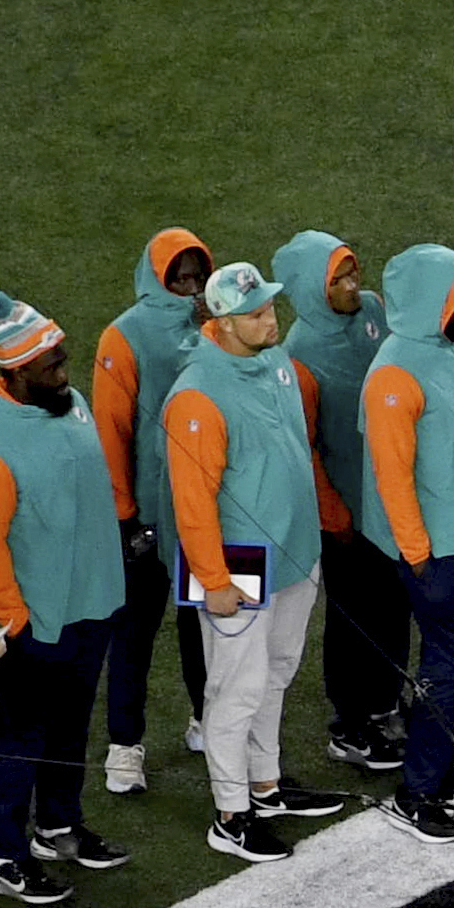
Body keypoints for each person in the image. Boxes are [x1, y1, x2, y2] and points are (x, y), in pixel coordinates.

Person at [161, 263, 348, 861]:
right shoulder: (196, 396)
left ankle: (265, 786)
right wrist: (213, 580)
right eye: (257, 313)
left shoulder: (276, 362)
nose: (272, 320)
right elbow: (192, 503)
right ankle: (230, 814)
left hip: (294, 551)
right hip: (235, 563)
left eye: (270, 308)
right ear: (222, 322)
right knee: (234, 689)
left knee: (277, 672)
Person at [0, 296, 128, 902]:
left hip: (90, 604)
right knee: (20, 734)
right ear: (17, 370)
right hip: (30, 621)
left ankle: (57, 825)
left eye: (62, 359)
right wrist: (13, 620)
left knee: (71, 723)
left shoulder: (71, 405)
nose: (64, 371)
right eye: (51, 365)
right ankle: (3, 857)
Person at [356, 245, 454, 835]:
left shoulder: (451, 349)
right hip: (442, 555)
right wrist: (419, 556)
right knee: (444, 672)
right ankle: (418, 794)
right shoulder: (393, 377)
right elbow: (392, 478)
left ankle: (441, 772)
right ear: (431, 303)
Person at [89, 227, 214, 797]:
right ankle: (124, 746)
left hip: (205, 513)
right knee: (134, 634)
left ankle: (207, 720)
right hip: (147, 515)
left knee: (206, 624)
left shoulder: (220, 327)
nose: (190, 289)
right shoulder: (123, 336)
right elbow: (110, 431)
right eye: (179, 278)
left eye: (198, 277)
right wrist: (123, 514)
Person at [275, 234, 402, 774]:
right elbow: (302, 445)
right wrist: (334, 514)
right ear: (311, 289)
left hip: (389, 497)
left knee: (394, 605)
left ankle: (385, 704)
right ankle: (349, 725)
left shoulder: (373, 310)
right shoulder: (298, 355)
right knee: (354, 617)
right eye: (338, 279)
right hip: (346, 510)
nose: (354, 285)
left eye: (353, 272)